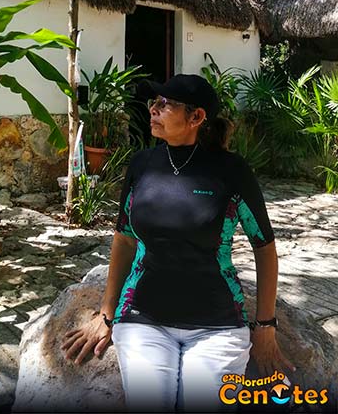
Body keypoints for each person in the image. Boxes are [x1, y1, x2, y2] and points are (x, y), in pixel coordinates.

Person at [61, 74, 294, 412]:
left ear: (196, 118)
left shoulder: (231, 171)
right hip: (143, 321)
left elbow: (264, 247)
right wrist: (106, 313)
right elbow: (125, 239)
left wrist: (266, 326)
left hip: (219, 327)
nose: (153, 109)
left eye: (164, 104)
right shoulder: (142, 165)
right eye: (153, 103)